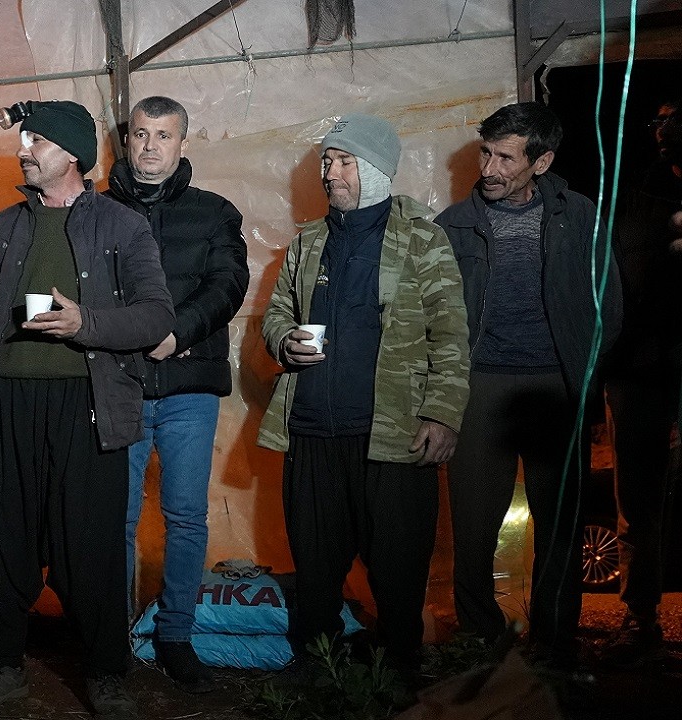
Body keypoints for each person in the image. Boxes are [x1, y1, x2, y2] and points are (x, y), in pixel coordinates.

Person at [0, 100, 174, 717]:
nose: (24, 150)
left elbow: (156, 316)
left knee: (90, 546)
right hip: (3, 403)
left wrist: (84, 323)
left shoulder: (122, 226)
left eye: (37, 140)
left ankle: (106, 674)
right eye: (24, 140)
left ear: (72, 153)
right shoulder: (5, 225)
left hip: (84, 403)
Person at [258, 113, 470, 678]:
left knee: (398, 572)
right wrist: (284, 339)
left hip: (392, 436)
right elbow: (276, 313)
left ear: (376, 169)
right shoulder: (309, 242)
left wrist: (443, 413)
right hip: (312, 433)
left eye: (344, 162)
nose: (330, 173)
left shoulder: (422, 239)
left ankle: (399, 677)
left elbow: (451, 332)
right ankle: (319, 676)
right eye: (327, 162)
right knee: (316, 570)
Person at [434, 101, 621, 669]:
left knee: (560, 525)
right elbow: (433, 316)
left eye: (505, 158)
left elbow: (608, 305)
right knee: (473, 529)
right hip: (481, 388)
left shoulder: (578, 216)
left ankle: (554, 643)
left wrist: (582, 378)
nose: (489, 169)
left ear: (542, 163)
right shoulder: (453, 225)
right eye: (485, 153)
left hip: (553, 391)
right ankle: (483, 644)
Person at [105, 96, 248, 694]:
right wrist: (130, 339)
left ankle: (176, 636)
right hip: (122, 386)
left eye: (163, 136)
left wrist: (178, 332)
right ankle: (111, 640)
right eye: (141, 134)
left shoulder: (213, 212)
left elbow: (228, 283)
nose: (150, 146)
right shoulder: (97, 211)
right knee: (116, 516)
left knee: (186, 515)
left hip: (189, 386)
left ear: (183, 143)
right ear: (127, 140)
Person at [600, 100, 682, 667]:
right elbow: (608, 286)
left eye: (676, 120)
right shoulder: (632, 202)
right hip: (640, 373)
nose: (664, 131)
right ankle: (641, 615)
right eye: (659, 122)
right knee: (639, 498)